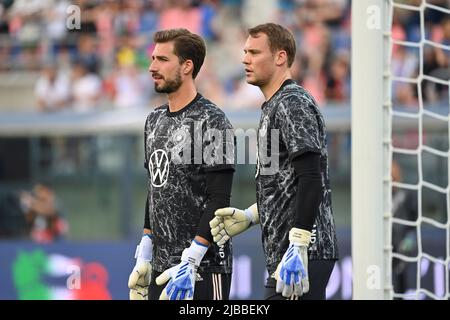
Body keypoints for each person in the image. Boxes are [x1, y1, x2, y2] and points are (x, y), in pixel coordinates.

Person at [210, 23, 339, 300]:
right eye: (245, 52)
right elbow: (285, 184)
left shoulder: (293, 102)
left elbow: (311, 177)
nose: (245, 59)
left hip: (304, 252)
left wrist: (300, 243)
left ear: (280, 57)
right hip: (287, 252)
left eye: (254, 52)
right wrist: (251, 216)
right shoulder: (273, 106)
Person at [127, 28, 235, 301]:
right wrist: (146, 250)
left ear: (187, 66)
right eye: (153, 58)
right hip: (161, 268)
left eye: (162, 59)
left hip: (204, 266)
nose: (152, 67)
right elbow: (156, 189)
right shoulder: (153, 120)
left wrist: (194, 256)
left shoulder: (212, 120)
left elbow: (219, 198)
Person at [391, 160, 418, 296]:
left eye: (394, 173)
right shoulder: (381, 196)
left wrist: (409, 238)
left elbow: (414, 218)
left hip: (402, 244)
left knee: (400, 279)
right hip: (387, 244)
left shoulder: (407, 195)